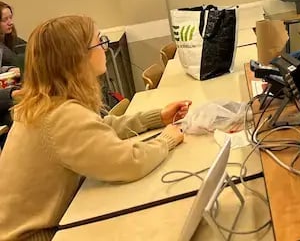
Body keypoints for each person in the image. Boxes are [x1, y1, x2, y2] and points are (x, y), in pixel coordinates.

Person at [0, 15, 190, 240]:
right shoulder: (61, 115)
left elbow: (97, 128)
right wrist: (166, 140)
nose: (105, 48)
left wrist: (157, 117)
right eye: (99, 41)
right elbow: (129, 162)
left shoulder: (47, 103)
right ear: (77, 58)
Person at [0, 2, 26, 69]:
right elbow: (14, 60)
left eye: (10, 17)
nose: (11, 23)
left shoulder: (11, 37)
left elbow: (29, 49)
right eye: (5, 19)